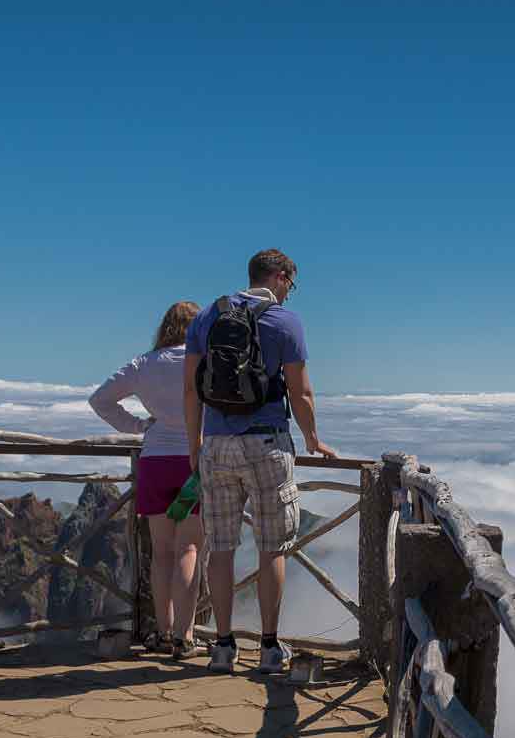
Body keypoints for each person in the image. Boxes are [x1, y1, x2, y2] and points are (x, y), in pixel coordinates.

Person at [184, 248, 340, 675]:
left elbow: (190, 390)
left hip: (215, 444)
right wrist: (313, 438)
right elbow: (300, 392)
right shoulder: (285, 322)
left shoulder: (207, 317)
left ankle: (222, 646)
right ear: (279, 276)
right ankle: (270, 648)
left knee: (220, 547)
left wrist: (195, 444)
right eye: (291, 282)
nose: (290, 292)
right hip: (267, 442)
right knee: (273, 547)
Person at [88, 301, 207, 660]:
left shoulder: (144, 364)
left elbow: (100, 400)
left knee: (162, 552)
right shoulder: (204, 361)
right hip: (192, 463)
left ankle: (163, 631)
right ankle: (186, 637)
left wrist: (139, 427)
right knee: (189, 548)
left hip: (155, 463)